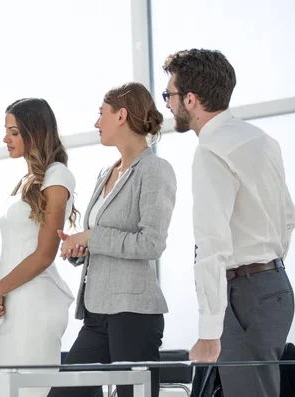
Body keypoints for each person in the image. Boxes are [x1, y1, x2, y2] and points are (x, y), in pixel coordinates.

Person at [163, 48, 295, 397]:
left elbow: (211, 244)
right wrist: (267, 264)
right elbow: (288, 217)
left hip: (244, 294)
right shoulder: (261, 140)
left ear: (190, 99)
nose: (168, 104)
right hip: (275, 287)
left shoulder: (211, 150)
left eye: (170, 95)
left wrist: (209, 332)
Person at [47, 82, 176, 397]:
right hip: (97, 313)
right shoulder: (106, 172)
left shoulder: (155, 170)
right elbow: (99, 240)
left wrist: (93, 236)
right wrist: (79, 246)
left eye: (100, 114)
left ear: (121, 115)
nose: (95, 123)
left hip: (134, 314)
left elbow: (151, 243)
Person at [0, 98, 76, 397]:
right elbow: (16, 244)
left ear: (33, 132)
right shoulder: (25, 181)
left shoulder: (57, 175)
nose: (5, 139)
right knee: (3, 388)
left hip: (36, 302)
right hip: (16, 300)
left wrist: (0, 289)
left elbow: (44, 253)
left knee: (27, 391)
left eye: (13, 132)